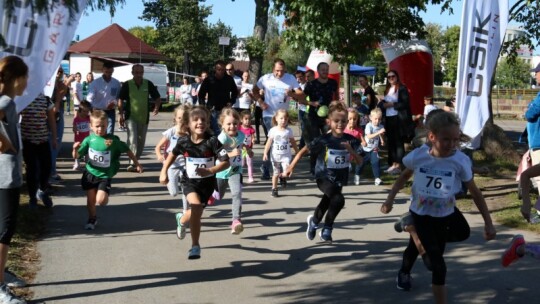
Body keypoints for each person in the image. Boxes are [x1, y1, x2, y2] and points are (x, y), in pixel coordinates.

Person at [380, 111, 496, 303]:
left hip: (446, 213)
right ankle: (414, 233)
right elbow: (403, 177)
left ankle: (413, 232)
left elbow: (475, 193)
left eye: (455, 140)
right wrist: (389, 199)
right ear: (432, 137)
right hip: (421, 214)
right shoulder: (418, 157)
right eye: (446, 139)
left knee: (463, 233)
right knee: (436, 266)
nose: (451, 145)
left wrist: (488, 223)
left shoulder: (460, 160)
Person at [285, 102, 362, 242]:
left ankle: (314, 222)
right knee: (338, 199)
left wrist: (351, 152)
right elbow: (304, 150)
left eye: (344, 121)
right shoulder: (324, 139)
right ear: (329, 121)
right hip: (323, 176)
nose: (340, 124)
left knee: (328, 201)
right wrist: (291, 167)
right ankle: (327, 228)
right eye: (336, 121)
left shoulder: (351, 140)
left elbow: (360, 161)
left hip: (339, 177)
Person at [159, 106, 230, 259]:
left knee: (196, 212)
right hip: (189, 182)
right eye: (196, 120)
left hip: (207, 185)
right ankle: (195, 246)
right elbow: (172, 155)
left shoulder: (213, 141)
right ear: (188, 124)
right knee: (196, 207)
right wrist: (164, 171)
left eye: (203, 120)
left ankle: (181, 219)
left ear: (208, 123)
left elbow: (226, 162)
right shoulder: (183, 141)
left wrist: (210, 171)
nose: (200, 123)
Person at [73, 110, 143, 230]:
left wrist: (137, 164)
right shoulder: (88, 140)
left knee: (100, 201)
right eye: (97, 126)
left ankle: (104, 194)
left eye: (103, 126)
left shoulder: (112, 141)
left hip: (104, 175)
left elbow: (127, 150)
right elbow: (77, 156)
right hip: (90, 173)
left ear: (107, 125)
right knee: (90, 201)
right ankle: (92, 218)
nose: (100, 129)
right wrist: (75, 150)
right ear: (91, 126)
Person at [0, 55, 30, 304]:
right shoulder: (7, 102)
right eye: (26, 77)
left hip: (6, 174)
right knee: (4, 231)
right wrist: (6, 145)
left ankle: (1, 271)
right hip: (5, 176)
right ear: (17, 79)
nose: (27, 82)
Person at [251, 58, 302, 180]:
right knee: (273, 139)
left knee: (279, 141)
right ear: (273, 69)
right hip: (269, 114)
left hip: (283, 116)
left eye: (282, 71)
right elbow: (254, 90)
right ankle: (266, 168)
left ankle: (279, 168)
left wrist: (292, 94)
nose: (280, 73)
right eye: (277, 71)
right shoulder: (266, 78)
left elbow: (301, 93)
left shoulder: (290, 78)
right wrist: (260, 102)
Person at [213, 108, 252, 234]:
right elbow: (217, 154)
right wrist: (231, 154)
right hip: (221, 170)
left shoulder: (241, 135)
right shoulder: (222, 138)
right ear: (222, 125)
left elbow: (243, 144)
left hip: (236, 170)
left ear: (239, 123)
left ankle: (236, 220)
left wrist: (249, 150)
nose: (232, 126)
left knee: (237, 193)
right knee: (219, 195)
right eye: (228, 124)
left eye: (235, 123)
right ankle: (213, 194)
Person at [117, 64, 161, 172]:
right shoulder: (127, 84)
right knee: (132, 139)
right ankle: (132, 163)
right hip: (130, 116)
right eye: (136, 72)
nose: (138, 75)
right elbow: (120, 100)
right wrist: (120, 114)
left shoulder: (148, 84)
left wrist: (156, 107)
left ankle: (136, 160)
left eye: (140, 72)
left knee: (141, 141)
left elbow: (157, 97)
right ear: (132, 73)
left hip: (143, 116)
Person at [299, 62, 339, 175]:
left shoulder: (333, 83)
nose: (325, 71)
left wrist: (335, 108)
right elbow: (301, 100)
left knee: (330, 141)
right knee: (316, 143)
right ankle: (314, 167)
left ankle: (329, 166)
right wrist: (312, 103)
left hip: (328, 117)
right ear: (318, 71)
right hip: (313, 118)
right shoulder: (311, 84)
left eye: (327, 69)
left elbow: (335, 98)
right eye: (323, 69)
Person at [20, 93, 56, 207]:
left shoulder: (46, 100)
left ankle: (42, 190)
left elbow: (51, 119)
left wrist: (54, 138)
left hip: (43, 140)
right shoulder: (23, 98)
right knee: (32, 169)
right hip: (28, 140)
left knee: (47, 166)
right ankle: (32, 198)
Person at [380, 70, 414, 175]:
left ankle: (398, 165)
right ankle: (392, 163)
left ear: (397, 77)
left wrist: (392, 105)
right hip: (389, 118)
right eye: (389, 77)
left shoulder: (402, 88)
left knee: (399, 142)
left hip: (398, 118)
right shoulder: (387, 90)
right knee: (391, 142)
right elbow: (383, 104)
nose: (391, 78)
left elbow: (405, 103)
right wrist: (382, 104)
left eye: (393, 76)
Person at [263, 109, 299, 197]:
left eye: (285, 119)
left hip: (286, 155)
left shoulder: (288, 131)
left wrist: (297, 151)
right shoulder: (273, 130)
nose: (283, 120)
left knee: (286, 171)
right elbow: (268, 142)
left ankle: (283, 177)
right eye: (281, 118)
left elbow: (293, 142)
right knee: (275, 173)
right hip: (275, 156)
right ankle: (274, 188)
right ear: (276, 119)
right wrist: (265, 153)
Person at [197, 60, 238, 135]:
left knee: (224, 130)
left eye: (223, 69)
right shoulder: (209, 80)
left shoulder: (229, 79)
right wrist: (204, 108)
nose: (221, 71)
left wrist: (231, 102)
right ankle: (216, 145)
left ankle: (223, 145)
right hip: (212, 109)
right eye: (219, 69)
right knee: (214, 131)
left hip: (225, 109)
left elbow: (235, 92)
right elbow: (201, 94)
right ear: (215, 69)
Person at [50, 68, 75, 184]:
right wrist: (68, 82)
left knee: (56, 143)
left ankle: (52, 170)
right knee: (54, 142)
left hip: (57, 113)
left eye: (60, 72)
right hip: (53, 115)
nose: (59, 74)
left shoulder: (59, 83)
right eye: (57, 71)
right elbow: (58, 99)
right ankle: (51, 172)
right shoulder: (50, 83)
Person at [86, 61, 121, 135]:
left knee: (109, 133)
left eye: (110, 72)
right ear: (102, 70)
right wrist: (92, 111)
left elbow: (118, 97)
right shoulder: (95, 83)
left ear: (113, 71)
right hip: (98, 111)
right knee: (99, 132)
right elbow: (89, 99)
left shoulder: (116, 83)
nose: (108, 74)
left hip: (110, 111)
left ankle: (108, 146)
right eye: (106, 72)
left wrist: (114, 103)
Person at [523, 63, 540, 204]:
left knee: (538, 177)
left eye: (537, 72)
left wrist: (528, 108)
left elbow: (531, 114)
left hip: (539, 142)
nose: (535, 75)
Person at [357, 108, 385, 186]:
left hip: (374, 148)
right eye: (375, 119)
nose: (377, 121)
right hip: (365, 148)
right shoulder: (368, 126)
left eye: (379, 119)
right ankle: (357, 174)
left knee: (376, 162)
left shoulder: (381, 126)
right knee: (361, 163)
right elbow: (369, 136)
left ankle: (377, 178)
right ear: (371, 118)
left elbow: (380, 134)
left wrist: (382, 140)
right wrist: (379, 132)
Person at [343, 108, 366, 185]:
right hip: (346, 149)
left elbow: (363, 140)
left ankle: (357, 175)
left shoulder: (358, 130)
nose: (352, 121)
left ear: (357, 119)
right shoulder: (343, 129)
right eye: (350, 119)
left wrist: (364, 143)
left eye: (354, 119)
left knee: (361, 160)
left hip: (356, 148)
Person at [72, 101, 91, 170]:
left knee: (87, 151)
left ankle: (87, 163)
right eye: (84, 111)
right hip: (78, 138)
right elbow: (74, 127)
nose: (86, 113)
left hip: (86, 138)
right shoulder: (76, 119)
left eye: (87, 111)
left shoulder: (88, 118)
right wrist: (75, 130)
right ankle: (77, 163)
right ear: (80, 110)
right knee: (78, 151)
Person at [239, 110, 256, 183]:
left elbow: (252, 136)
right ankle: (240, 176)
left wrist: (253, 139)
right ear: (241, 120)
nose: (247, 121)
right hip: (241, 149)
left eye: (249, 119)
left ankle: (250, 176)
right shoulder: (239, 128)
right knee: (242, 164)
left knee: (249, 163)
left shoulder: (251, 129)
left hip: (249, 149)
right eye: (245, 119)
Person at [294, 70, 308, 149]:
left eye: (300, 77)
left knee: (305, 129)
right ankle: (303, 146)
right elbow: (297, 98)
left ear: (304, 76)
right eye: (297, 77)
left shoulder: (307, 85)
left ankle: (302, 146)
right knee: (303, 128)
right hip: (301, 109)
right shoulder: (298, 86)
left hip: (307, 109)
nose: (299, 79)